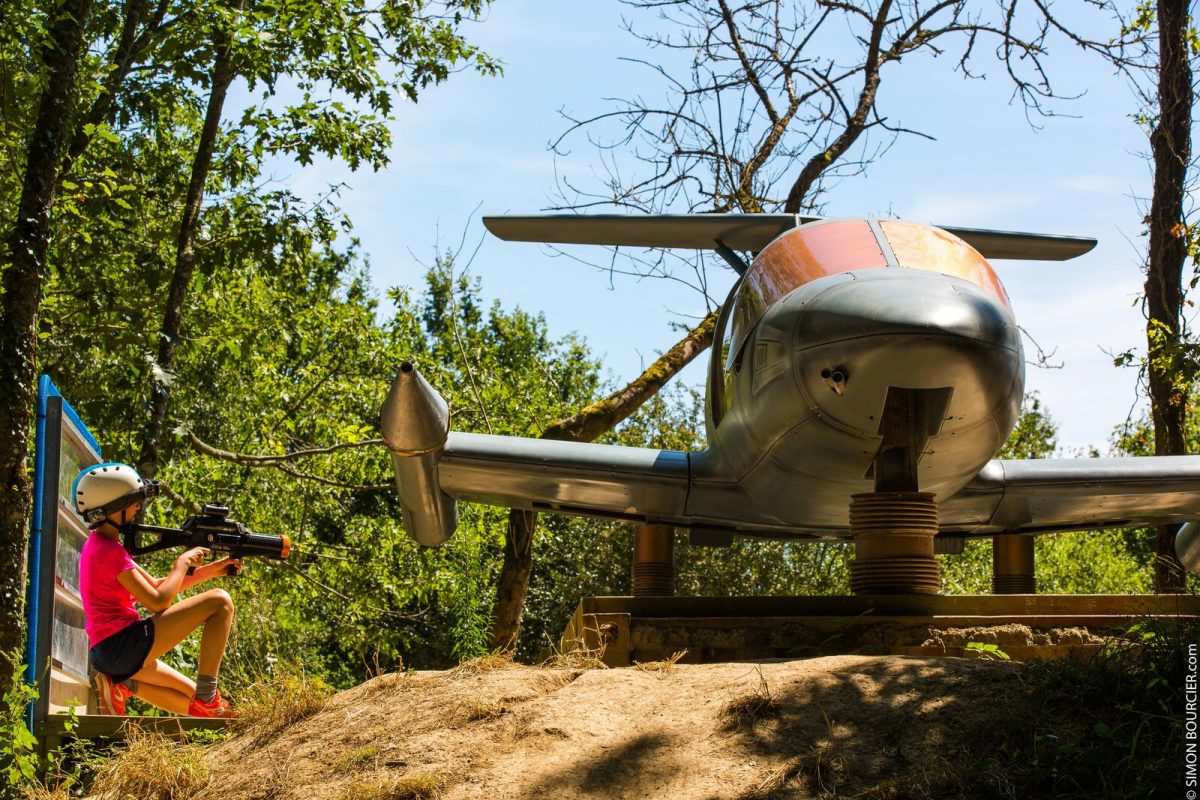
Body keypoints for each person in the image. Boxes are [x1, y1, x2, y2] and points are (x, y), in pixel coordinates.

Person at [74, 462, 241, 718]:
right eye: (133, 502)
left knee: (196, 701)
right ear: (112, 508)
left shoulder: (101, 546)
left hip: (108, 652)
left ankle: (122, 683)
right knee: (221, 601)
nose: (138, 507)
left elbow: (155, 586)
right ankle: (209, 697)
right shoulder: (108, 551)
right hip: (122, 646)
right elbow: (158, 601)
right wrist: (182, 562)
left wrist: (211, 570)